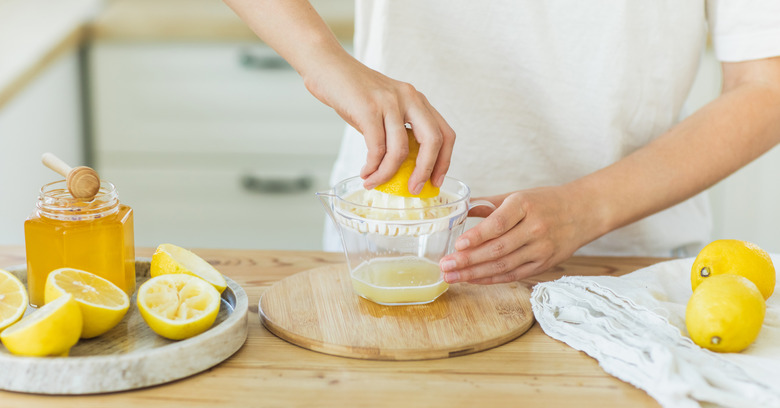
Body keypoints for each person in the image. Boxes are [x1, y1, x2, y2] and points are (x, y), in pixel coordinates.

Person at [224, 0, 780, 285]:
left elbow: (765, 87)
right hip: (390, 244)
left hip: (628, 260)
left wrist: (589, 206)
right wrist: (323, 59)